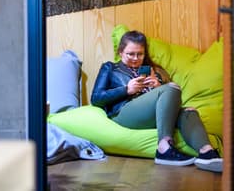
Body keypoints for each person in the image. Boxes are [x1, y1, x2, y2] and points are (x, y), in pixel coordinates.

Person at [91, 30, 222, 172]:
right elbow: (96, 98)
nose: (135, 58)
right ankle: (164, 148)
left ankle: (207, 153)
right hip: (124, 113)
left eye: (140, 54)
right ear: (121, 52)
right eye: (130, 54)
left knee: (188, 111)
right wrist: (126, 90)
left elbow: (170, 100)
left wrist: (158, 86)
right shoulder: (110, 68)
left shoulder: (154, 70)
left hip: (152, 115)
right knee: (171, 87)